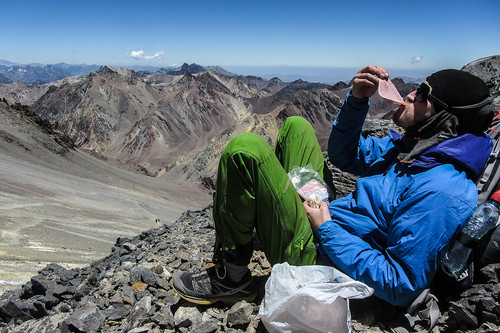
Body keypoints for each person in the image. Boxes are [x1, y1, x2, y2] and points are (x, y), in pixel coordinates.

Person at [172, 65, 495, 307]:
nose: (411, 94)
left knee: (245, 148)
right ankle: (268, 223)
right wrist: (357, 100)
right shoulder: (416, 152)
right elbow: (345, 155)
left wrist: (325, 227)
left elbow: (403, 284)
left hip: (319, 254)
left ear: (446, 119)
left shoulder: (441, 189)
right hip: (328, 221)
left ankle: (232, 277)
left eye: (423, 95)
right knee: (296, 126)